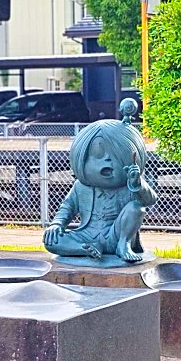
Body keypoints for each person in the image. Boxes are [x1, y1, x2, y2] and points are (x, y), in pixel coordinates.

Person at [43, 108, 157, 264]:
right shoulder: (81, 187)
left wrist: (137, 183)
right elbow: (67, 208)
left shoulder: (129, 185)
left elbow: (150, 200)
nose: (108, 161)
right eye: (98, 155)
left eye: (116, 156)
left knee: (136, 208)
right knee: (51, 240)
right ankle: (83, 248)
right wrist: (57, 224)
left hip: (116, 235)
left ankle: (124, 245)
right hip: (87, 235)